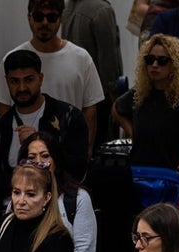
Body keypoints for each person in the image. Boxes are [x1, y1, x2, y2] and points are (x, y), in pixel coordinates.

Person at [0, 0, 105, 151]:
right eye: (38, 16)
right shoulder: (13, 59)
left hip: (68, 155)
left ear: (60, 18)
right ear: (29, 17)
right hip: (23, 159)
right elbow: (4, 110)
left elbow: (90, 111)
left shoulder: (81, 58)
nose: (44, 23)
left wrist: (85, 154)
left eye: (51, 17)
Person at [0, 49, 89, 206]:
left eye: (29, 80)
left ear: (40, 79)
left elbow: (77, 169)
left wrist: (42, 143)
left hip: (58, 209)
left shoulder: (69, 118)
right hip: (10, 215)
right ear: (6, 81)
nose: (22, 88)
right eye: (15, 81)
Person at [114, 34, 179, 174]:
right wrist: (133, 133)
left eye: (162, 61)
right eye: (150, 59)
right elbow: (117, 109)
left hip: (171, 173)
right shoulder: (141, 92)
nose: (154, 65)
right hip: (140, 173)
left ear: (175, 64)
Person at [63, 0, 124, 147]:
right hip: (99, 98)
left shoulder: (69, 7)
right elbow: (108, 59)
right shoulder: (101, 10)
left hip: (74, 94)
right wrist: (116, 98)